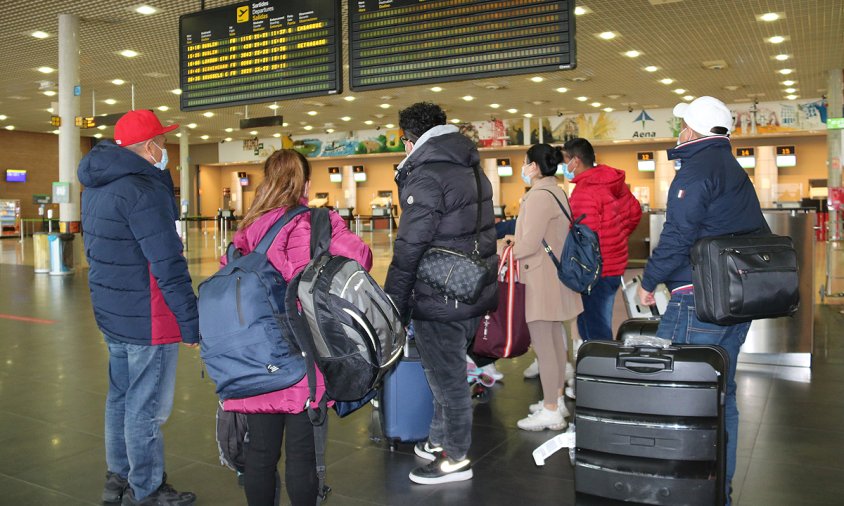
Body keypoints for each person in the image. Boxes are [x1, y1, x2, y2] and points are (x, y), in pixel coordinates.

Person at [221, 149, 372, 506]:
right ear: (305, 183)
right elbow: (360, 258)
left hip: (255, 354)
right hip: (303, 352)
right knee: (302, 455)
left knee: (260, 451)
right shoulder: (317, 221)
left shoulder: (247, 229)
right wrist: (336, 227)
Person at [637, 96, 766, 504]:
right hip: (735, 301)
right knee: (721, 398)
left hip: (698, 301)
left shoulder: (695, 169)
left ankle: (682, 492)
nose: (679, 132)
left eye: (682, 125)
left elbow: (677, 236)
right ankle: (716, 493)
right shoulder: (732, 168)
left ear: (691, 131)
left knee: (679, 398)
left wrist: (649, 280)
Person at [77, 109, 198, 506]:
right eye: (163, 144)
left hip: (113, 312)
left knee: (120, 398)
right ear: (150, 148)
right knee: (145, 408)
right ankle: (146, 488)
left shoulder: (96, 186)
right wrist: (190, 322)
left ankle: (119, 477)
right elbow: (167, 262)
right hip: (149, 317)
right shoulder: (144, 191)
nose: (166, 151)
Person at [385, 102, 498, 485]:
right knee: (445, 374)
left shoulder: (427, 175)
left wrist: (393, 304)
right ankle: (438, 439)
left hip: (439, 295)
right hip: (470, 286)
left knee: (448, 381)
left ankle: (455, 457)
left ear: (409, 138)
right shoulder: (472, 168)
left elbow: (409, 247)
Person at [511, 144, 583, 431]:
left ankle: (551, 409)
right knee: (554, 342)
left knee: (545, 347)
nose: (524, 168)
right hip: (554, 277)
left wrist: (504, 250)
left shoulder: (539, 196)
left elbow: (528, 244)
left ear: (535, 167)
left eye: (526, 163)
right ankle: (555, 400)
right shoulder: (558, 191)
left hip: (541, 280)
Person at [564, 137, 642, 342]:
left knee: (594, 326)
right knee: (598, 319)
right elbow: (635, 213)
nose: (565, 166)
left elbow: (584, 237)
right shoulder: (614, 183)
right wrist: (617, 238)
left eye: (566, 160)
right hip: (615, 265)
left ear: (576, 160)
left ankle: (601, 369)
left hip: (594, 271)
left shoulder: (584, 191)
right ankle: (595, 366)